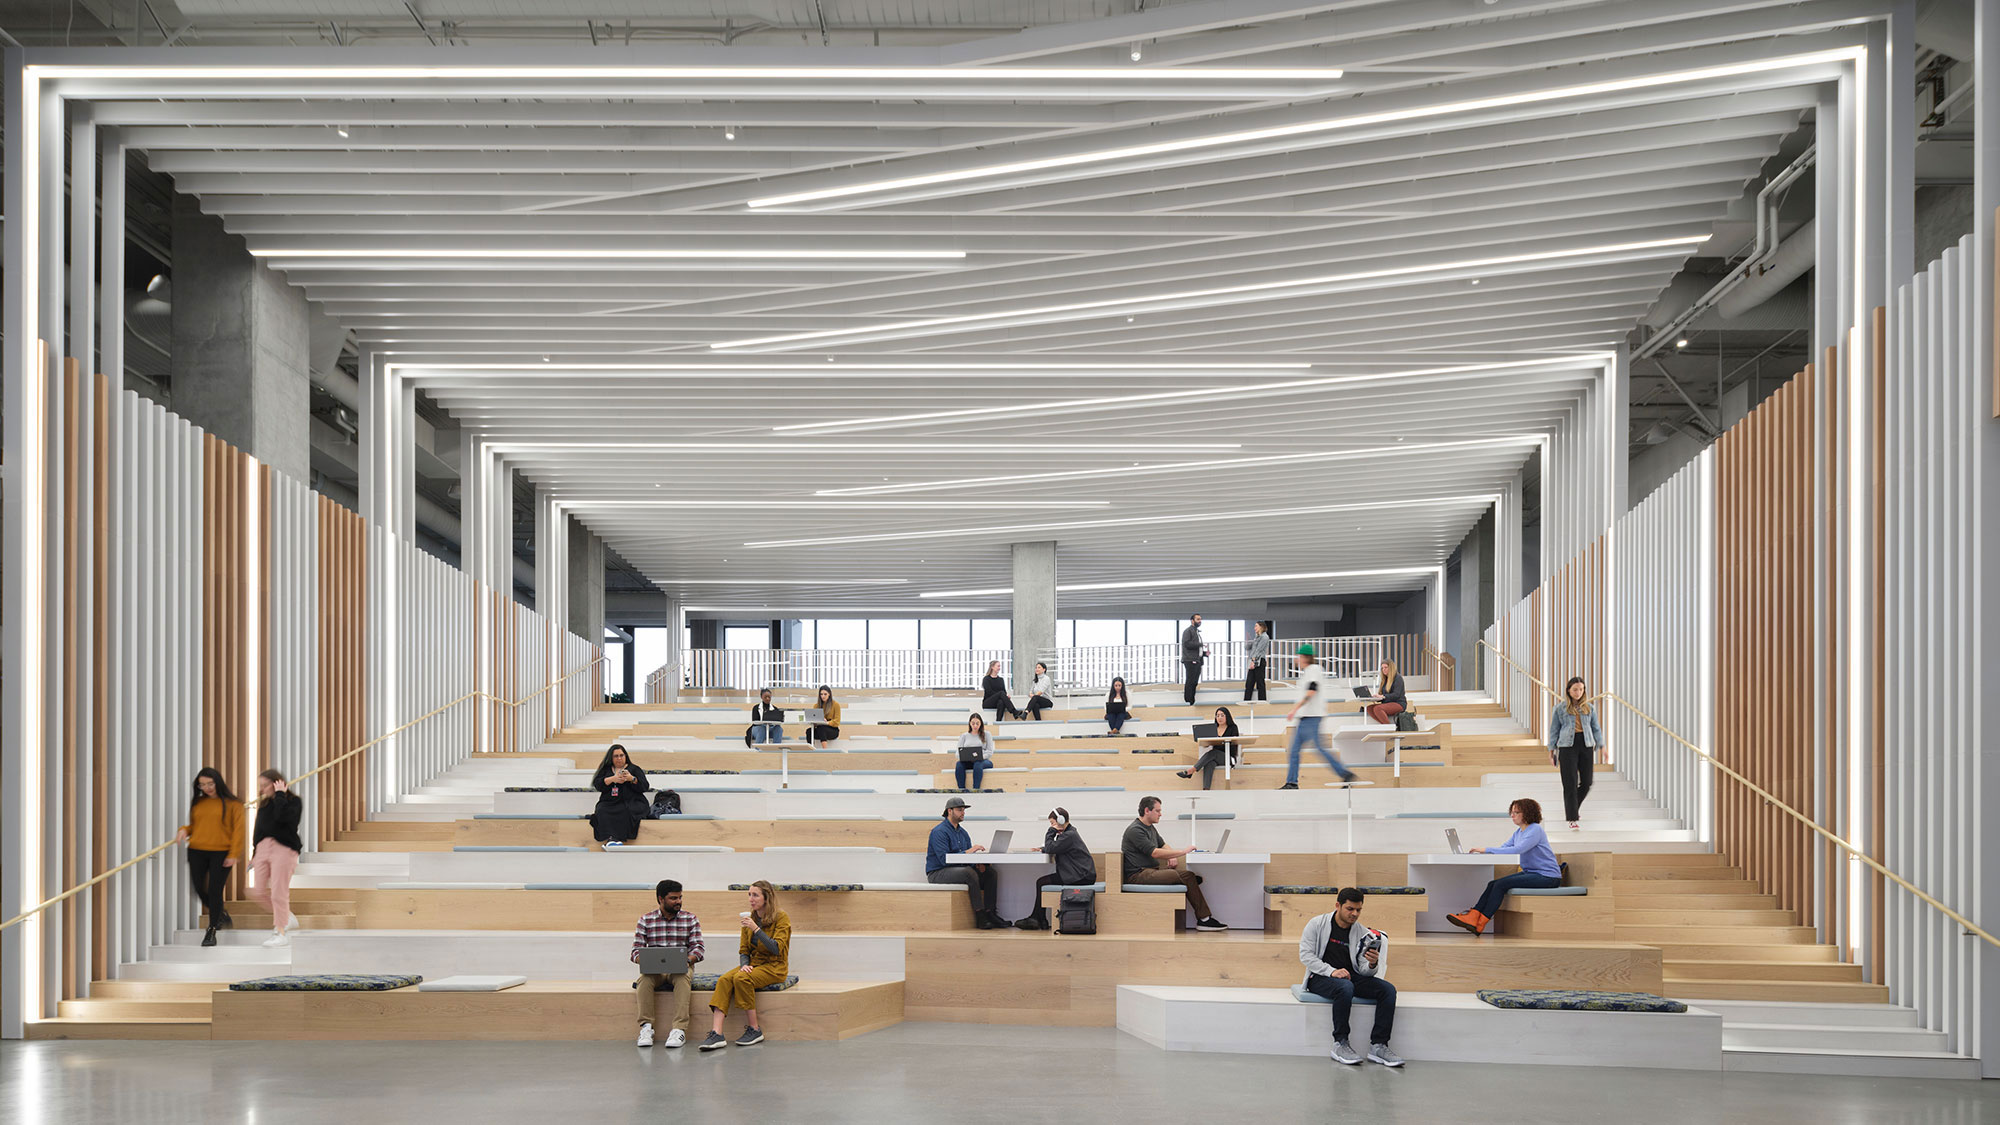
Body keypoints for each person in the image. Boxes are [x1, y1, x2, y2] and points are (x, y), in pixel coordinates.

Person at [1300, 888, 1403, 1067]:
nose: (1354, 914)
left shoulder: (1362, 932)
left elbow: (1363, 970)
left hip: (1350, 976)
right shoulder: (1316, 924)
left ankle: (1378, 1045)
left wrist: (1372, 965)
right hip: (1320, 977)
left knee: (1387, 990)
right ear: (1338, 905)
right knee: (1345, 987)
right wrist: (1332, 971)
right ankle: (1340, 1043)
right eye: (1350, 909)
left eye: (1358, 910)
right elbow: (1306, 956)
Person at [1447, 798, 1563, 935]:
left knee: (1500, 885)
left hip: (1547, 877)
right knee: (1493, 883)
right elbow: (1503, 848)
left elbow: (1517, 850)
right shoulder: (1518, 833)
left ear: (1527, 813)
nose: (1512, 815)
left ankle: (1480, 923)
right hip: (1532, 873)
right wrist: (1481, 854)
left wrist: (1486, 849)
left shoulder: (1535, 830)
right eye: (1511, 812)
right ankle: (1473, 917)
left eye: (1516, 812)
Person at [700, 881, 790, 1050]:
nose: (751, 899)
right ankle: (717, 1033)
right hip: (755, 964)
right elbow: (743, 950)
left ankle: (755, 1029)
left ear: (766, 897)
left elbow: (776, 948)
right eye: (749, 894)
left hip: (774, 966)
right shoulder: (750, 917)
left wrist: (756, 929)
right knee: (725, 979)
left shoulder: (780, 917)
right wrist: (744, 965)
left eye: (755, 895)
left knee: (742, 979)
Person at [1122, 796, 1228, 930]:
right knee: (1187, 877)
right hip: (1138, 875)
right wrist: (1182, 852)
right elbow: (1155, 852)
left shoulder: (1150, 828)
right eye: (1158, 810)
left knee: (1188, 876)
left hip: (1151, 871)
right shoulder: (1135, 830)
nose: (1161, 814)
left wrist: (1171, 854)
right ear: (1147, 810)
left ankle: (1204, 917)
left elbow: (1162, 844)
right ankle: (1204, 918)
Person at [632, 878, 706, 1049]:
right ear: (660, 899)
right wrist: (643, 960)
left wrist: (687, 960)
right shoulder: (646, 920)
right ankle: (646, 1028)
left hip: (681, 968)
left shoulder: (690, 919)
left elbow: (699, 948)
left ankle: (679, 1029)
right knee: (644, 980)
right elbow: (635, 950)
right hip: (655, 971)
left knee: (682, 978)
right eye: (673, 898)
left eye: (680, 897)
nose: (678, 901)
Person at [174, 767, 242, 947]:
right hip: (197, 850)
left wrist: (234, 854)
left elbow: (238, 832)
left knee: (214, 890)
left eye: (210, 784)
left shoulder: (233, 804)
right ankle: (220, 913)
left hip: (222, 852)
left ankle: (212, 929)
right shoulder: (198, 803)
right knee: (197, 888)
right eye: (202, 784)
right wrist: (184, 830)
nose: (207, 788)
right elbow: (196, 827)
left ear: (217, 782)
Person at [1279, 645, 1358, 789]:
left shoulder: (1314, 670)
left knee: (1319, 749)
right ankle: (1291, 782)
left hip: (1312, 717)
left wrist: (1294, 709)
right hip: (1304, 718)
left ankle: (1345, 774)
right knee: (1295, 751)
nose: (1297, 659)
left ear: (1305, 657)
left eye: (1299, 656)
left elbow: (1312, 691)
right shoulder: (1307, 672)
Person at [926, 797, 1002, 929]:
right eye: (959, 810)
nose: (963, 813)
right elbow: (944, 860)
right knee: (968, 872)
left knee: (990, 873)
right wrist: (971, 851)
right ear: (949, 811)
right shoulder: (939, 832)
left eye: (963, 810)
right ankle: (980, 916)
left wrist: (978, 865)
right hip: (938, 873)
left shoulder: (963, 833)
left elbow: (968, 858)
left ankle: (991, 913)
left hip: (959, 870)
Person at [248, 769, 303, 948]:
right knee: (256, 891)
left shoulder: (293, 802)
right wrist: (254, 854)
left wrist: (280, 794)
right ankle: (286, 916)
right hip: (263, 848)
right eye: (260, 786)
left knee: (279, 891)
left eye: (265, 785)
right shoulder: (264, 805)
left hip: (284, 848)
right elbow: (258, 831)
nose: (262, 790)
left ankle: (280, 931)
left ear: (277, 782)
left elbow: (283, 819)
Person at [1018, 807, 1095, 930]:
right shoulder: (1069, 834)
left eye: (1053, 823)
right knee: (1041, 882)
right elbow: (1055, 847)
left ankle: (1037, 918)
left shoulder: (1069, 835)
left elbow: (1051, 847)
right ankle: (1039, 919)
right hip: (1079, 874)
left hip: (1079, 875)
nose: (1052, 826)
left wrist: (1050, 831)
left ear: (1061, 820)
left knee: (1041, 882)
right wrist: (1043, 849)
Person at [1549, 676, 1604, 830]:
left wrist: (1602, 746)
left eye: (1581, 689)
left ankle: (1573, 808)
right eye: (1575, 689)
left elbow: (1596, 728)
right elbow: (1554, 730)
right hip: (1567, 747)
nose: (1578, 692)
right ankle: (1572, 818)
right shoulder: (1560, 708)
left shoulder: (1590, 708)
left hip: (1586, 745)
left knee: (1587, 782)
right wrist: (1551, 750)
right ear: (1568, 690)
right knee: (1570, 783)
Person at [590, 744, 650, 847]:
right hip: (609, 802)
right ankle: (610, 838)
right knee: (601, 810)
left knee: (626, 810)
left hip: (632, 801)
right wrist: (612, 779)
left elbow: (644, 787)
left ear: (626, 756)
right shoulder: (605, 769)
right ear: (611, 758)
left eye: (621, 755)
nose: (619, 758)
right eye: (616, 756)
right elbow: (598, 785)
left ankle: (616, 838)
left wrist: (632, 779)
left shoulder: (635, 769)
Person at [1178, 706, 1240, 790]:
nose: (1219, 718)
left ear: (1227, 716)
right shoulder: (1214, 729)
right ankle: (1206, 789)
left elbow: (1234, 742)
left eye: (1222, 715)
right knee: (1209, 763)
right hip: (1215, 757)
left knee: (1213, 752)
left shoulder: (1233, 727)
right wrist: (1206, 743)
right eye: (1217, 716)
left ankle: (1191, 770)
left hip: (1229, 758)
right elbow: (1209, 743)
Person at [955, 713, 995, 791]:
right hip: (968, 761)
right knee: (959, 764)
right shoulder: (964, 736)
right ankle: (961, 789)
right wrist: (964, 758)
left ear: (981, 724)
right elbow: (957, 752)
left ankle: (976, 789)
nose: (975, 726)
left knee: (977, 764)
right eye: (973, 723)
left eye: (977, 723)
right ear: (970, 724)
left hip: (983, 761)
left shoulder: (987, 734)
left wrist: (979, 757)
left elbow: (989, 752)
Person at [1364, 660, 1408, 725]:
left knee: (1377, 708)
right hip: (1388, 703)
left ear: (1391, 668)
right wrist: (1376, 697)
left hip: (1399, 704)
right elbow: (1384, 696)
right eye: (1382, 668)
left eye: (1385, 667)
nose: (1383, 669)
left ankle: (1389, 728)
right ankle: (1385, 725)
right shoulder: (1385, 680)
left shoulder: (1398, 678)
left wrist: (1383, 696)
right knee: (1369, 708)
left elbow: (1396, 695)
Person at [1243, 620, 1272, 702]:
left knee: (1260, 682)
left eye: (1256, 626)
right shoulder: (1256, 637)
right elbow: (1247, 647)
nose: (1254, 628)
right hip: (1253, 661)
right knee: (1249, 683)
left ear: (1261, 627)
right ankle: (1246, 700)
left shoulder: (1264, 637)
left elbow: (1259, 651)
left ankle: (1262, 701)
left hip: (1259, 661)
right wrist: (1248, 640)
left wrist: (1253, 661)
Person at [1181, 614, 1206, 705]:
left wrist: (1204, 654)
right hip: (1190, 660)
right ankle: (1188, 701)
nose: (1200, 621)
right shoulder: (1188, 631)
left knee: (1195, 681)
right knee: (1190, 680)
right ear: (1192, 620)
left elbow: (1196, 648)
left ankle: (1192, 700)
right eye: (1198, 619)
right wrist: (1200, 645)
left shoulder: (1197, 632)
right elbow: (1187, 644)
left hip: (1197, 660)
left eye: (1200, 619)